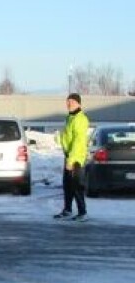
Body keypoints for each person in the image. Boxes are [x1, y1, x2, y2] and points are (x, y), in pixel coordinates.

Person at [54, 92, 89, 222]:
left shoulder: (80, 119)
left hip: (76, 159)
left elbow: (78, 142)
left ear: (78, 103)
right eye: (67, 101)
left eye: (72, 102)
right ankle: (67, 209)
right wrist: (59, 138)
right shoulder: (70, 118)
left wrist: (72, 159)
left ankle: (82, 212)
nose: (69, 104)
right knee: (67, 185)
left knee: (76, 186)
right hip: (69, 156)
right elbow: (68, 137)